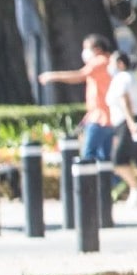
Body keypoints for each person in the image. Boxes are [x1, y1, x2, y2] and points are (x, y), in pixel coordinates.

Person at [38, 33, 114, 171]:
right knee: (104, 159)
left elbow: (79, 75)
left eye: (86, 48)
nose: (84, 53)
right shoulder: (108, 61)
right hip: (103, 117)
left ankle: (91, 189)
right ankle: (109, 188)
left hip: (99, 119)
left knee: (89, 156)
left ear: (97, 49)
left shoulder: (100, 61)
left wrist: (52, 76)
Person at [105, 50, 137, 206]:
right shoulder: (132, 77)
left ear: (120, 63)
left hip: (129, 122)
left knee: (118, 159)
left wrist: (131, 123)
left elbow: (125, 101)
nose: (109, 66)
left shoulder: (122, 78)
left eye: (111, 62)